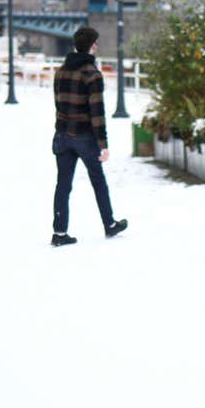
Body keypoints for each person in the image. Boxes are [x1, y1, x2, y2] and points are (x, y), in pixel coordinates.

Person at [50, 26, 127, 247]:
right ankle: (109, 224)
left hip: (62, 134)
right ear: (92, 45)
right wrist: (103, 144)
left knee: (62, 185)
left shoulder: (61, 71)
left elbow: (59, 104)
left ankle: (60, 232)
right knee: (98, 180)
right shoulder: (92, 75)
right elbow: (97, 112)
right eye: (96, 42)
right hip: (84, 136)